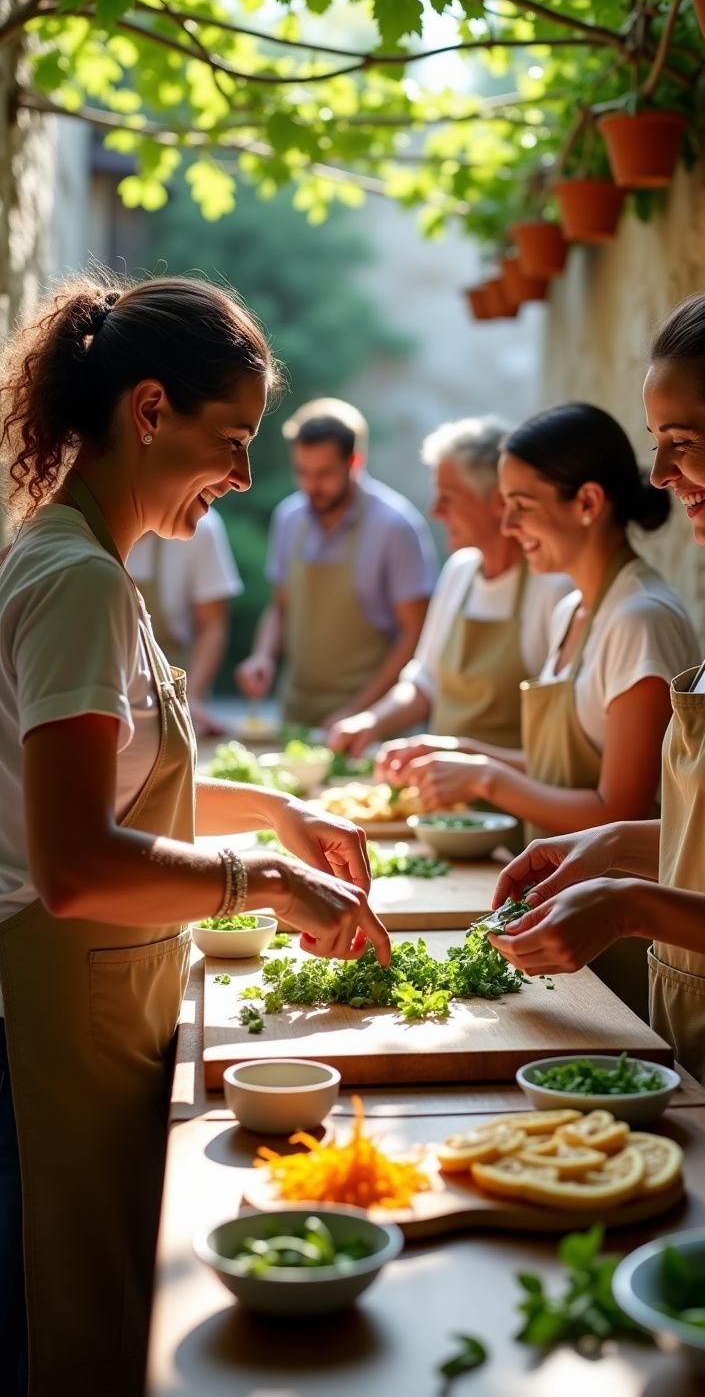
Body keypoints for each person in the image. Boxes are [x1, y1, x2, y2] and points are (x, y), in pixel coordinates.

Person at [0, 275, 391, 1397]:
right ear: (151, 409)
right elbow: (75, 863)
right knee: (69, 1330)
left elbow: (124, 788)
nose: (245, 477)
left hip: (91, 1006)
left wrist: (276, 809)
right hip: (44, 1023)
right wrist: (261, 879)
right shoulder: (76, 581)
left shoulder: (83, 563)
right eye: (235, 439)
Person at [487, 246, 705, 1171]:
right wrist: (602, 849)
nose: (661, 475)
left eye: (679, 440)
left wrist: (632, 904)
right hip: (691, 1044)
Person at [380, 404, 698, 1016]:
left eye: (521, 505)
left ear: (586, 503)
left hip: (612, 931)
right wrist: (463, 753)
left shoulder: (640, 620)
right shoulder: (572, 610)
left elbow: (618, 811)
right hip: (556, 911)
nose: (506, 521)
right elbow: (562, 765)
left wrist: (483, 777)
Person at [327, 415, 572, 756]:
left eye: (449, 498)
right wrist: (371, 720)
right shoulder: (460, 571)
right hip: (439, 796)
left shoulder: (552, 590)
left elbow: (558, 747)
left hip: (510, 804)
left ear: (497, 502)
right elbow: (424, 682)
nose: (436, 511)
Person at [235, 397, 437, 728]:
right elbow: (280, 608)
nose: (311, 486)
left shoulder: (395, 527)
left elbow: (414, 636)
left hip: (369, 724)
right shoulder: (289, 517)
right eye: (303, 472)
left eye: (324, 473)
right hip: (296, 714)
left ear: (354, 461)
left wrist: (360, 713)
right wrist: (263, 655)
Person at [126, 505, 242, 735]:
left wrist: (191, 697)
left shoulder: (200, 524)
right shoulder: (80, 528)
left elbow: (212, 624)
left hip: (174, 694)